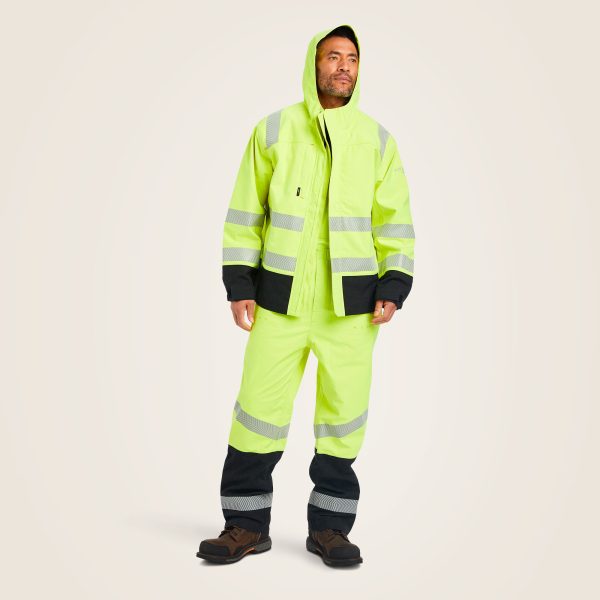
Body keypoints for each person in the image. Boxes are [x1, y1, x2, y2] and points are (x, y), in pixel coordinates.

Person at [197, 23, 415, 567]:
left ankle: (331, 530)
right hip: (280, 301)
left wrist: (394, 284)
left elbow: (395, 223)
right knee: (257, 412)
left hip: (352, 308)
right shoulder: (273, 130)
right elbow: (245, 213)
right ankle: (245, 526)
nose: (344, 67)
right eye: (333, 56)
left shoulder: (378, 141)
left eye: (352, 58)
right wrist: (240, 284)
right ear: (313, 64)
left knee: (343, 420)